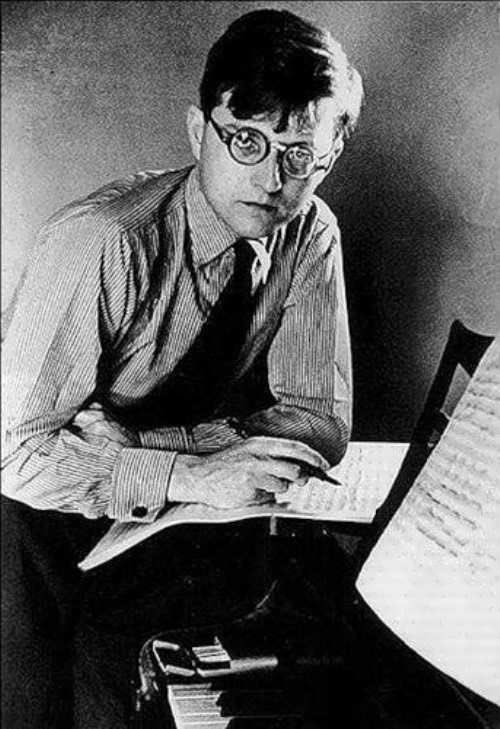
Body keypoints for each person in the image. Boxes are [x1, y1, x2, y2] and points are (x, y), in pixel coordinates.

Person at [1, 7, 363, 728]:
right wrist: (192, 472)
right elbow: (13, 451)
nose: (272, 178)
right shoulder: (102, 241)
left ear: (329, 157)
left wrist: (157, 450)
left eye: (299, 153)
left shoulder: (311, 232)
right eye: (246, 140)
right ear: (199, 132)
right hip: (39, 521)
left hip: (166, 523)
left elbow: (320, 418)